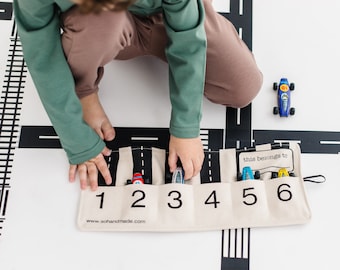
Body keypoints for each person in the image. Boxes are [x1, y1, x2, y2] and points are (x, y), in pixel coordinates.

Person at [14, 0, 263, 191]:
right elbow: (41, 51)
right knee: (99, 20)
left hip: (169, 16)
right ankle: (84, 89)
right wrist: (76, 138)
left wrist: (185, 128)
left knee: (244, 87)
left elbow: (188, 41)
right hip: (102, 27)